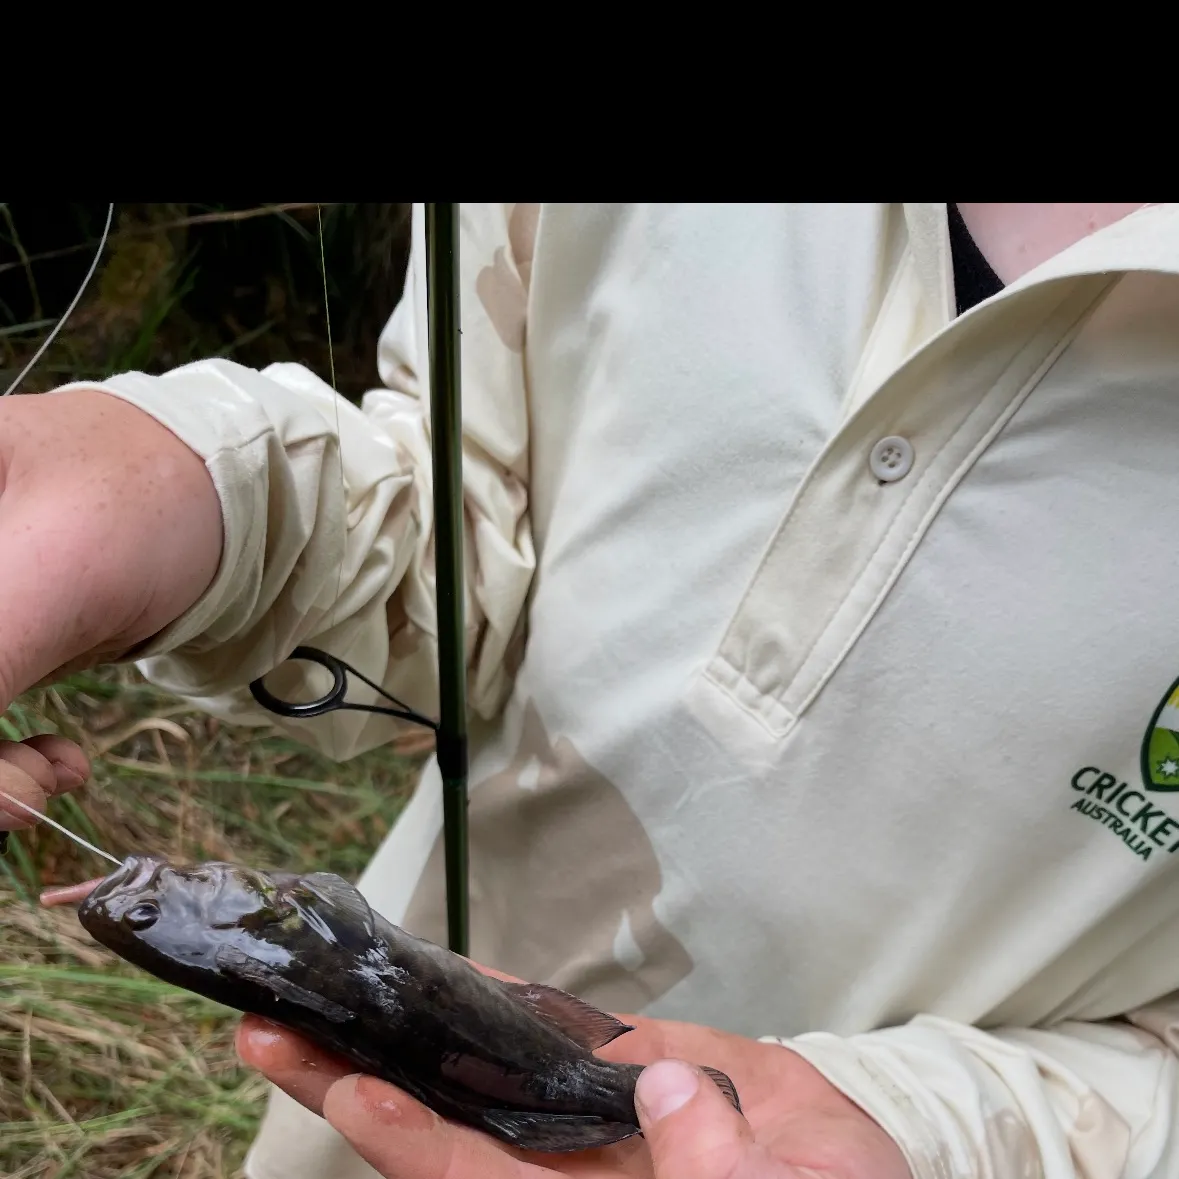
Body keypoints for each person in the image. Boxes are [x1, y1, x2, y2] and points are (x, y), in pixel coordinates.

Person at [1, 202, 1176, 1179]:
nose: (132, 896)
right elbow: (465, 514)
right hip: (358, 1133)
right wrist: (189, 495)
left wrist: (926, 1134)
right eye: (150, 911)